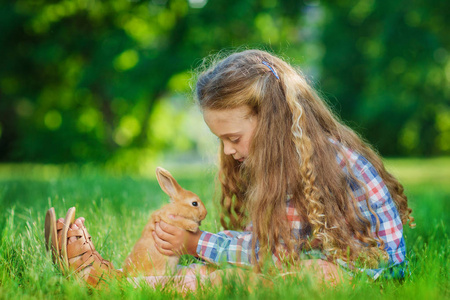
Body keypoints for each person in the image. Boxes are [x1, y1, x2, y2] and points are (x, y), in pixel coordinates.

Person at [46, 49, 414, 288]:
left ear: (270, 121)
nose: (227, 149)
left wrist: (195, 242)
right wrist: (198, 249)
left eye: (234, 138)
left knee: (268, 277)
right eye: (220, 139)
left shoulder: (314, 164)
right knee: (220, 274)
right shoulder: (286, 159)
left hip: (370, 277)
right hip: (318, 263)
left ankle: (115, 286)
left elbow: (272, 256)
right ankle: (123, 283)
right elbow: (264, 245)